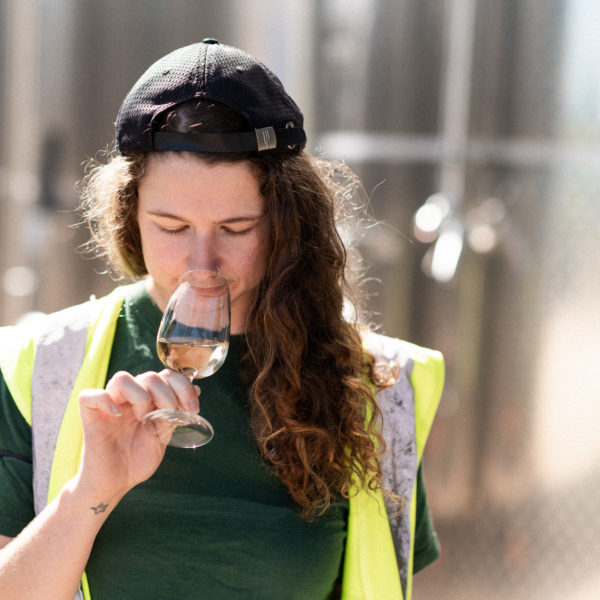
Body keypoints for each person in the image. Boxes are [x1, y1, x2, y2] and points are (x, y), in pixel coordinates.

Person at [0, 39, 444, 600]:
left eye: (236, 228)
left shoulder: (375, 384)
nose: (202, 263)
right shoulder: (36, 368)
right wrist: (92, 490)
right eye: (171, 226)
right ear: (128, 217)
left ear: (287, 224)